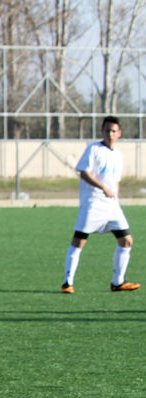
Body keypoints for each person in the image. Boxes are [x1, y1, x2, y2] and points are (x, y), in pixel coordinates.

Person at [62, 116, 138, 293]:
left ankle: (118, 282)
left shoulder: (118, 155)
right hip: (93, 203)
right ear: (102, 132)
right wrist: (103, 187)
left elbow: (115, 180)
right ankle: (67, 282)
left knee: (126, 240)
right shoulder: (93, 149)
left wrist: (115, 197)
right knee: (79, 241)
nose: (110, 134)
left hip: (112, 205)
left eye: (113, 131)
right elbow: (83, 173)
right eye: (107, 130)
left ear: (119, 133)